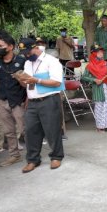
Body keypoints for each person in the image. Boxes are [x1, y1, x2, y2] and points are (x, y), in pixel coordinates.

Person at [17, 38, 64, 172]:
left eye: (28, 52)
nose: (26, 55)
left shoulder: (51, 61)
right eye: (24, 53)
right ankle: (33, 160)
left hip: (48, 100)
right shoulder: (27, 63)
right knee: (30, 131)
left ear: (36, 47)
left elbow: (56, 82)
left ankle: (56, 156)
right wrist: (21, 80)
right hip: (32, 102)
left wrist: (36, 80)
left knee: (52, 130)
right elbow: (27, 83)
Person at [0, 33, 27, 167]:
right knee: (9, 131)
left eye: (1, 46)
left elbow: (27, 83)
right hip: (2, 100)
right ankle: (14, 155)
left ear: (10, 47)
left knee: (24, 129)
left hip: (17, 100)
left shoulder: (21, 61)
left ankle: (34, 154)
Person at [81, 44, 107, 133]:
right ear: (93, 53)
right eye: (98, 52)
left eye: (101, 52)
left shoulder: (106, 63)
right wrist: (94, 80)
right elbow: (84, 77)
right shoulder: (89, 65)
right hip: (97, 89)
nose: (101, 53)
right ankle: (99, 127)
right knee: (99, 107)